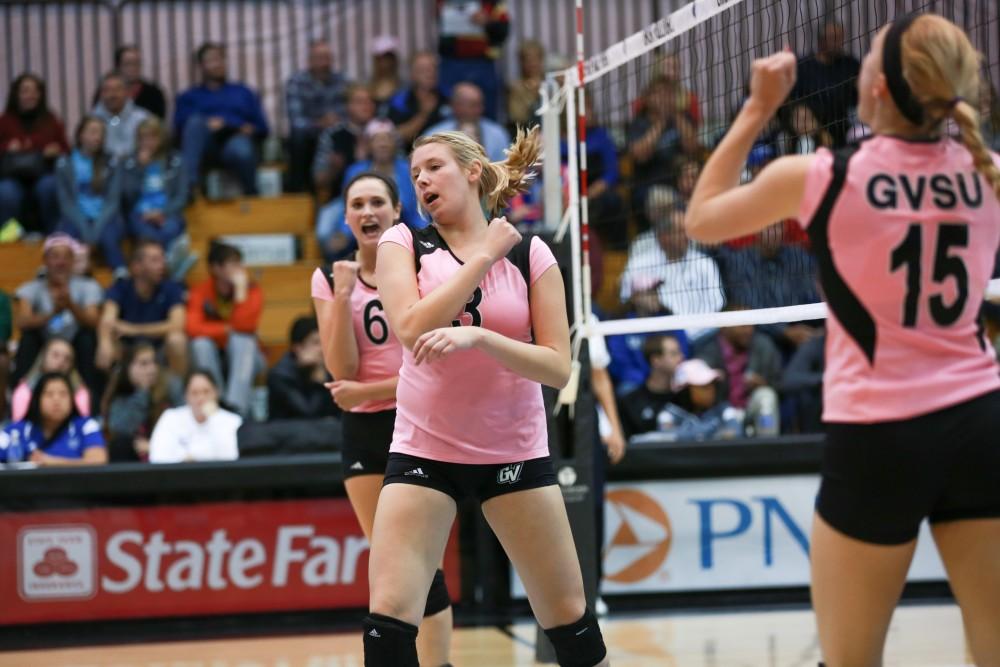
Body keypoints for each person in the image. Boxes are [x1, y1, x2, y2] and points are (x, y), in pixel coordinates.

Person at [684, 15, 1000, 665]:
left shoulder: (824, 174)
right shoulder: (988, 170)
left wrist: (757, 107)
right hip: (981, 423)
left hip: (880, 435)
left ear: (878, 89)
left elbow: (702, 218)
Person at [364, 128, 608, 666]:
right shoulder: (402, 243)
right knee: (388, 615)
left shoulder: (531, 253)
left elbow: (556, 366)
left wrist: (481, 337)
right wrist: (481, 259)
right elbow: (409, 328)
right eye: (415, 174)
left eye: (433, 166)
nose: (421, 179)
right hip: (425, 450)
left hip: (514, 452)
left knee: (570, 616)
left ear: (472, 171)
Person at [312, 171, 453, 666]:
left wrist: (365, 391)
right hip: (365, 432)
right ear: (346, 216)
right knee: (390, 560)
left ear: (396, 211)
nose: (367, 212)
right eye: (357, 204)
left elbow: (430, 362)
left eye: (377, 202)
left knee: (422, 560)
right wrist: (344, 295)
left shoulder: (420, 267)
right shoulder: (331, 277)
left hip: (419, 420)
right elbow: (340, 370)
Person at [174, 43, 269, 196]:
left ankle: (252, 194)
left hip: (235, 140)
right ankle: (188, 187)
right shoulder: (188, 96)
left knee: (241, 148)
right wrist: (206, 124)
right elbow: (179, 128)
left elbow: (263, 128)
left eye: (220, 59)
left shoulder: (243, 92)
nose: (217, 64)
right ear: (201, 66)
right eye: (211, 60)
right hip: (205, 145)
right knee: (195, 123)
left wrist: (243, 127)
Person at [12, 233, 103, 391]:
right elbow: (22, 321)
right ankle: (19, 400)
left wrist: (70, 305)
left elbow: (94, 321)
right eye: (55, 257)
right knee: (28, 339)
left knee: (88, 339)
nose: (60, 262)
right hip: (43, 343)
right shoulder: (31, 288)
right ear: (45, 260)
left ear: (73, 261)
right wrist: (53, 312)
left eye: (66, 257)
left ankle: (92, 407)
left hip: (76, 343)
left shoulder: (88, 286)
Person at [186, 242, 265, 417]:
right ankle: (215, 402)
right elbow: (192, 328)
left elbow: (245, 327)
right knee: (200, 344)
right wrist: (226, 329)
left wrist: (240, 291)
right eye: (233, 264)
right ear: (216, 268)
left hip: (248, 358)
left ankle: (234, 410)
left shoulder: (251, 290)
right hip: (212, 356)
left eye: (240, 263)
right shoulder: (201, 292)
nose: (240, 269)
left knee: (243, 341)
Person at [96, 239, 187, 376]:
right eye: (155, 260)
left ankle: (181, 392)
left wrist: (133, 330)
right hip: (128, 347)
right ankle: (109, 395)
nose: (162, 265)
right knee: (106, 343)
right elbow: (108, 319)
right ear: (136, 267)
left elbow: (177, 325)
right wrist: (104, 342)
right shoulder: (121, 287)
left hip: (159, 346)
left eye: (162, 259)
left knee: (177, 340)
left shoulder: (171, 288)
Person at [54, 115, 126, 271]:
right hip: (76, 217)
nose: (98, 137)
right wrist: (86, 229)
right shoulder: (65, 163)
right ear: (81, 135)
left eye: (101, 133)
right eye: (93, 132)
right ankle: (51, 273)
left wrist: (95, 229)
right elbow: (66, 204)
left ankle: (121, 273)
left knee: (109, 238)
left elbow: (113, 201)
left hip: (105, 217)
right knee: (62, 241)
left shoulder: (112, 162)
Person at [119, 117, 191, 269]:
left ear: (161, 138)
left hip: (168, 213)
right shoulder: (129, 163)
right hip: (140, 214)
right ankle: (170, 265)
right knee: (148, 235)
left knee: (170, 228)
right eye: (143, 138)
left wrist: (162, 212)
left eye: (152, 137)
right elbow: (127, 195)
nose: (147, 142)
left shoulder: (175, 160)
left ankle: (162, 267)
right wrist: (139, 169)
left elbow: (182, 196)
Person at [0, 73, 66, 235]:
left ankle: (54, 236)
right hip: (12, 177)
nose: (31, 95)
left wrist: (56, 150)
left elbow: (67, 149)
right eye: (26, 91)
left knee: (50, 187)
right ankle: (8, 238)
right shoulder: (5, 121)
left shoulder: (51, 120)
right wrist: (6, 147)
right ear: (16, 94)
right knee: (7, 192)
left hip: (43, 174)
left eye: (35, 91)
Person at [285, 39, 351, 193]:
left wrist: (335, 121)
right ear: (310, 60)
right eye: (319, 57)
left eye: (326, 57)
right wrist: (320, 123)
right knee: (297, 139)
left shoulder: (342, 80)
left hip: (336, 133)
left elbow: (350, 112)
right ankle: (300, 191)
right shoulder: (297, 81)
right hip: (310, 136)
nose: (323, 62)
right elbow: (296, 121)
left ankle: (343, 189)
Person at [0, 372, 107, 466]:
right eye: (49, 394)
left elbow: (98, 461)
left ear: (72, 400)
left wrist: (51, 462)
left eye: (63, 394)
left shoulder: (86, 426)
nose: (57, 400)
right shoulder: (16, 431)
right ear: (37, 400)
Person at [101, 342, 181, 462]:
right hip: (133, 456)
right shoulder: (121, 391)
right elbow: (119, 429)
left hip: (166, 454)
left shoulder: (171, 385)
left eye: (154, 362)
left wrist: (154, 447)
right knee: (120, 445)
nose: (152, 369)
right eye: (144, 363)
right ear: (128, 367)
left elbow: (184, 424)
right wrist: (142, 393)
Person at [791, 19, 861, 147]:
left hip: (845, 129)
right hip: (811, 131)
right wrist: (818, 131)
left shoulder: (850, 65)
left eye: (839, 38)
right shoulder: (803, 66)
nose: (837, 43)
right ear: (821, 40)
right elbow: (795, 103)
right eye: (832, 38)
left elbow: (860, 98)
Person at [436, 0, 509, 121]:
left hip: (482, 63)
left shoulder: (493, 4)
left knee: (485, 109)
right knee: (448, 110)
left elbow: (503, 31)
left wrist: (488, 23)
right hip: (451, 62)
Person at [149, 370, 241, 463]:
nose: (201, 398)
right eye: (194, 393)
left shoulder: (233, 421)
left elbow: (231, 457)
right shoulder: (170, 418)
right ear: (186, 396)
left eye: (206, 392)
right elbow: (158, 457)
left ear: (216, 393)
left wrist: (190, 456)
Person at [266, 316, 338, 421]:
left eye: (324, 342)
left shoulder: (327, 368)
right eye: (316, 343)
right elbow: (308, 413)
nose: (322, 349)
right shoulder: (280, 375)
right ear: (298, 348)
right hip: (285, 434)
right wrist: (318, 382)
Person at [312, 84, 377, 200]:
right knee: (325, 218)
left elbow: (402, 170)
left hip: (381, 197)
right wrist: (334, 169)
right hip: (342, 200)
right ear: (348, 106)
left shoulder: (385, 132)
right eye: (359, 102)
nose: (366, 106)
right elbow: (318, 179)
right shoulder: (332, 135)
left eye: (370, 101)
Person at [10, 336, 92, 423]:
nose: (61, 362)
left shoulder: (80, 391)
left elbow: (84, 422)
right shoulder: (25, 389)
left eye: (67, 358)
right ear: (43, 358)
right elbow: (17, 423)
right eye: (55, 355)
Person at [617, 334, 685, 438]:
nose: (681, 357)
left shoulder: (685, 398)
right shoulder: (630, 402)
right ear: (656, 360)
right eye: (673, 354)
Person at [423, 82, 511, 162]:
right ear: (456, 106)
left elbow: (506, 169)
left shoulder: (498, 133)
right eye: (473, 105)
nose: (480, 109)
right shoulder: (434, 135)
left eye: (480, 104)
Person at [387, 52, 451, 152]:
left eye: (433, 68)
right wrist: (424, 114)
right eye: (424, 69)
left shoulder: (448, 97)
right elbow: (398, 136)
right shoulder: (400, 100)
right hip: (410, 156)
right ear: (413, 74)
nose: (430, 73)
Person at [92, 71, 151, 159]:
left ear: (127, 92)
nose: (112, 94)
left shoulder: (143, 119)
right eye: (107, 90)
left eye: (117, 89)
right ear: (101, 93)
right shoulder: (92, 121)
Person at [107, 45, 167, 118]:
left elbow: (158, 124)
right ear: (118, 66)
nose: (133, 68)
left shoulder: (154, 93)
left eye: (136, 63)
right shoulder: (106, 92)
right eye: (128, 64)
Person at [507, 40, 545, 133]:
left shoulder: (552, 84)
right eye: (528, 60)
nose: (532, 64)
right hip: (527, 136)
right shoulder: (515, 88)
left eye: (536, 59)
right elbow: (517, 117)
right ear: (521, 62)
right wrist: (533, 95)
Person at [368, 35, 403, 116]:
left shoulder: (404, 86)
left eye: (388, 57)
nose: (385, 62)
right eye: (380, 58)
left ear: (394, 60)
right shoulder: (368, 85)